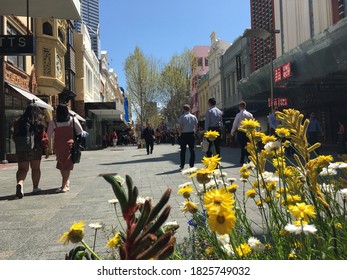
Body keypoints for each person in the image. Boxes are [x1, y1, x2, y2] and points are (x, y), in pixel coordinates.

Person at [12, 103, 49, 199]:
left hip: (22, 148)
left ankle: (20, 183)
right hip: (36, 148)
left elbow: (14, 135)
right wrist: (46, 148)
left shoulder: (19, 121)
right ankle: (35, 188)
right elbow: (43, 137)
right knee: (35, 168)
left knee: (22, 169)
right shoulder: (39, 121)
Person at [47, 104, 83, 193]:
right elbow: (80, 131)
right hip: (69, 145)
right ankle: (64, 186)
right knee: (67, 165)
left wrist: (48, 148)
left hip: (58, 146)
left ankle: (65, 182)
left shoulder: (53, 122)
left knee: (62, 164)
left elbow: (48, 135)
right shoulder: (72, 120)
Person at [178, 104, 198, 170]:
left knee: (183, 150)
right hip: (191, 134)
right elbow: (196, 126)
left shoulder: (181, 117)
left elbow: (180, 127)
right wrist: (194, 131)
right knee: (192, 150)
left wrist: (180, 134)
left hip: (184, 135)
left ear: (183, 109)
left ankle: (182, 165)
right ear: (189, 109)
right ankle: (191, 165)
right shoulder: (194, 117)